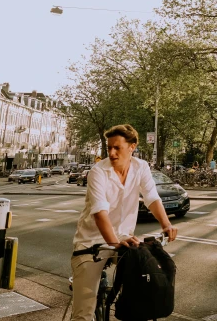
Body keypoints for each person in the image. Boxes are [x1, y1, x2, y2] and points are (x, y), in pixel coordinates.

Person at [69, 124, 178, 321]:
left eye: (117, 147)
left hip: (124, 240)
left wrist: (166, 224)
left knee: (144, 289)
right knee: (83, 313)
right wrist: (113, 242)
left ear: (132, 147)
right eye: (109, 147)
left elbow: (152, 198)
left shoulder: (141, 167)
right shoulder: (98, 172)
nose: (111, 152)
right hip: (91, 244)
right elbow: (100, 212)